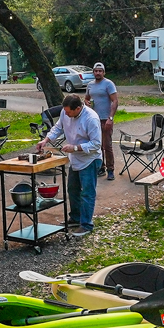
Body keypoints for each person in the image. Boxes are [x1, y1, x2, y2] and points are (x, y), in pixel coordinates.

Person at [36, 94, 102, 237]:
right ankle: (75, 218)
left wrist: (76, 148)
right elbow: (58, 127)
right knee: (72, 189)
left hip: (90, 159)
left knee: (87, 193)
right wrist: (45, 140)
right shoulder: (65, 112)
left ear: (78, 108)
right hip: (75, 159)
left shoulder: (91, 118)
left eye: (69, 112)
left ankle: (86, 225)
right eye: (65, 111)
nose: (66, 114)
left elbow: (97, 144)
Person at [85, 62, 119, 180]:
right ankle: (101, 167)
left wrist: (111, 118)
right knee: (96, 145)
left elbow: (115, 101)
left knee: (107, 145)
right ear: (93, 72)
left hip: (106, 119)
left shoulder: (108, 84)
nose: (98, 73)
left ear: (103, 72)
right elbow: (86, 98)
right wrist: (87, 103)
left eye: (100, 71)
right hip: (94, 120)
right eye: (96, 71)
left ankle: (111, 170)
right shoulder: (90, 85)